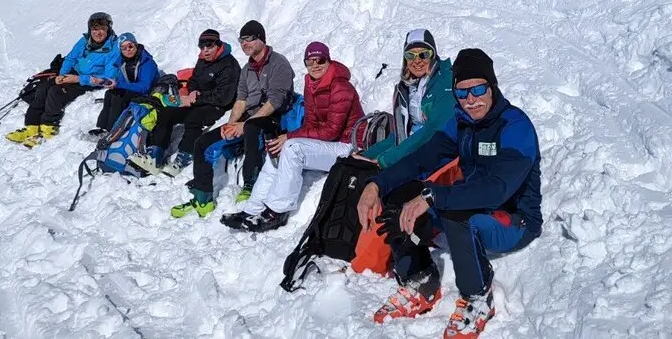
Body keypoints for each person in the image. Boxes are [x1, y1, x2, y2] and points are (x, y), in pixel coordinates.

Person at [356, 49, 541, 338]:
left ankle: (478, 296)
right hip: (474, 207)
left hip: (513, 220)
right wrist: (377, 184)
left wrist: (433, 197)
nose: (471, 99)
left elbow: (496, 190)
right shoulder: (461, 123)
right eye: (462, 92)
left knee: (455, 210)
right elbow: (420, 159)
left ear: (493, 87)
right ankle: (420, 278)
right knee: (398, 198)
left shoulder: (515, 126)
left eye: (479, 89)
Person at [221, 41, 364, 232]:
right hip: (328, 143)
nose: (315, 65)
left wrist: (289, 137)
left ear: (329, 60)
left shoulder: (341, 87)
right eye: (309, 62)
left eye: (320, 60)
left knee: (291, 147)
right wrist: (287, 138)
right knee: (276, 148)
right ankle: (252, 209)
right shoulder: (311, 84)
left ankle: (278, 212)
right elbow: (311, 124)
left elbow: (332, 131)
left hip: (348, 147)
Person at [168, 19, 295, 218]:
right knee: (203, 142)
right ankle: (203, 198)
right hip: (249, 116)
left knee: (252, 130)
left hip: (274, 117)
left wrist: (245, 124)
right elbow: (241, 100)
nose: (244, 43)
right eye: (241, 40)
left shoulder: (279, 64)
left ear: (261, 39)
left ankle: (250, 184)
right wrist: (231, 124)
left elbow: (275, 101)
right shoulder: (247, 69)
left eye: (249, 39)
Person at [6, 12, 121, 147]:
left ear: (109, 29)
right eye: (95, 28)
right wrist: (62, 74)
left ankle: (49, 129)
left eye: (102, 28)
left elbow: (108, 78)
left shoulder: (114, 48)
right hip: (75, 74)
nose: (98, 32)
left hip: (91, 81)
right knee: (44, 86)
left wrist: (78, 79)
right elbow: (71, 58)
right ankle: (31, 127)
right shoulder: (85, 41)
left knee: (56, 92)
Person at [142, 28, 240, 176]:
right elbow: (194, 80)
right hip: (197, 100)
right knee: (167, 112)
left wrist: (196, 98)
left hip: (217, 105)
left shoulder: (229, 65)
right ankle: (155, 153)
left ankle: (185, 156)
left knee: (194, 119)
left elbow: (223, 97)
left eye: (209, 46)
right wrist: (192, 91)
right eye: (202, 47)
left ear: (218, 45)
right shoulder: (202, 59)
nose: (205, 50)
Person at [359, 29, 455, 169]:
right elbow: (401, 136)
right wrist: (365, 156)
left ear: (433, 55)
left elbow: (434, 131)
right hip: (413, 152)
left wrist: (387, 159)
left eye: (423, 54)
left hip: (438, 159)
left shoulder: (445, 82)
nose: (417, 61)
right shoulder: (406, 88)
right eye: (410, 55)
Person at [90, 32, 160, 135]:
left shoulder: (147, 62)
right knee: (110, 94)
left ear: (136, 45)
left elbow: (145, 87)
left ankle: (113, 131)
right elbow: (121, 81)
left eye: (130, 46)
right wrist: (105, 82)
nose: (128, 50)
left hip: (149, 94)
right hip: (135, 91)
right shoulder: (123, 62)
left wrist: (118, 84)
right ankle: (104, 127)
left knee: (119, 98)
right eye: (123, 48)